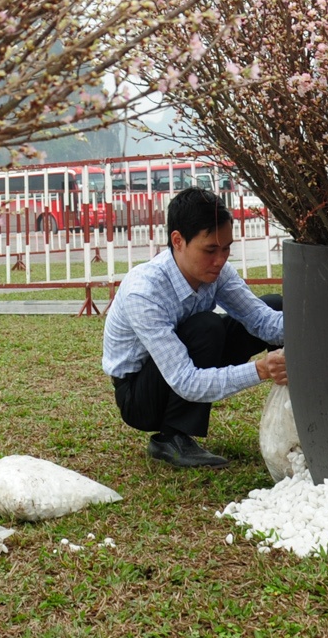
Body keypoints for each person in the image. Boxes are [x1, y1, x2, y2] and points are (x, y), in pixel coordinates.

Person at [101, 186, 284, 469]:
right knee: (206, 327)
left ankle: (298, 412)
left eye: (226, 248)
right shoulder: (144, 291)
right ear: (178, 240)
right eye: (210, 250)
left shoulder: (218, 272)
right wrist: (261, 370)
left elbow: (262, 321)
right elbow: (184, 380)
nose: (220, 260)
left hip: (187, 360)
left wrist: (320, 328)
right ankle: (171, 438)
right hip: (140, 395)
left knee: (275, 305)